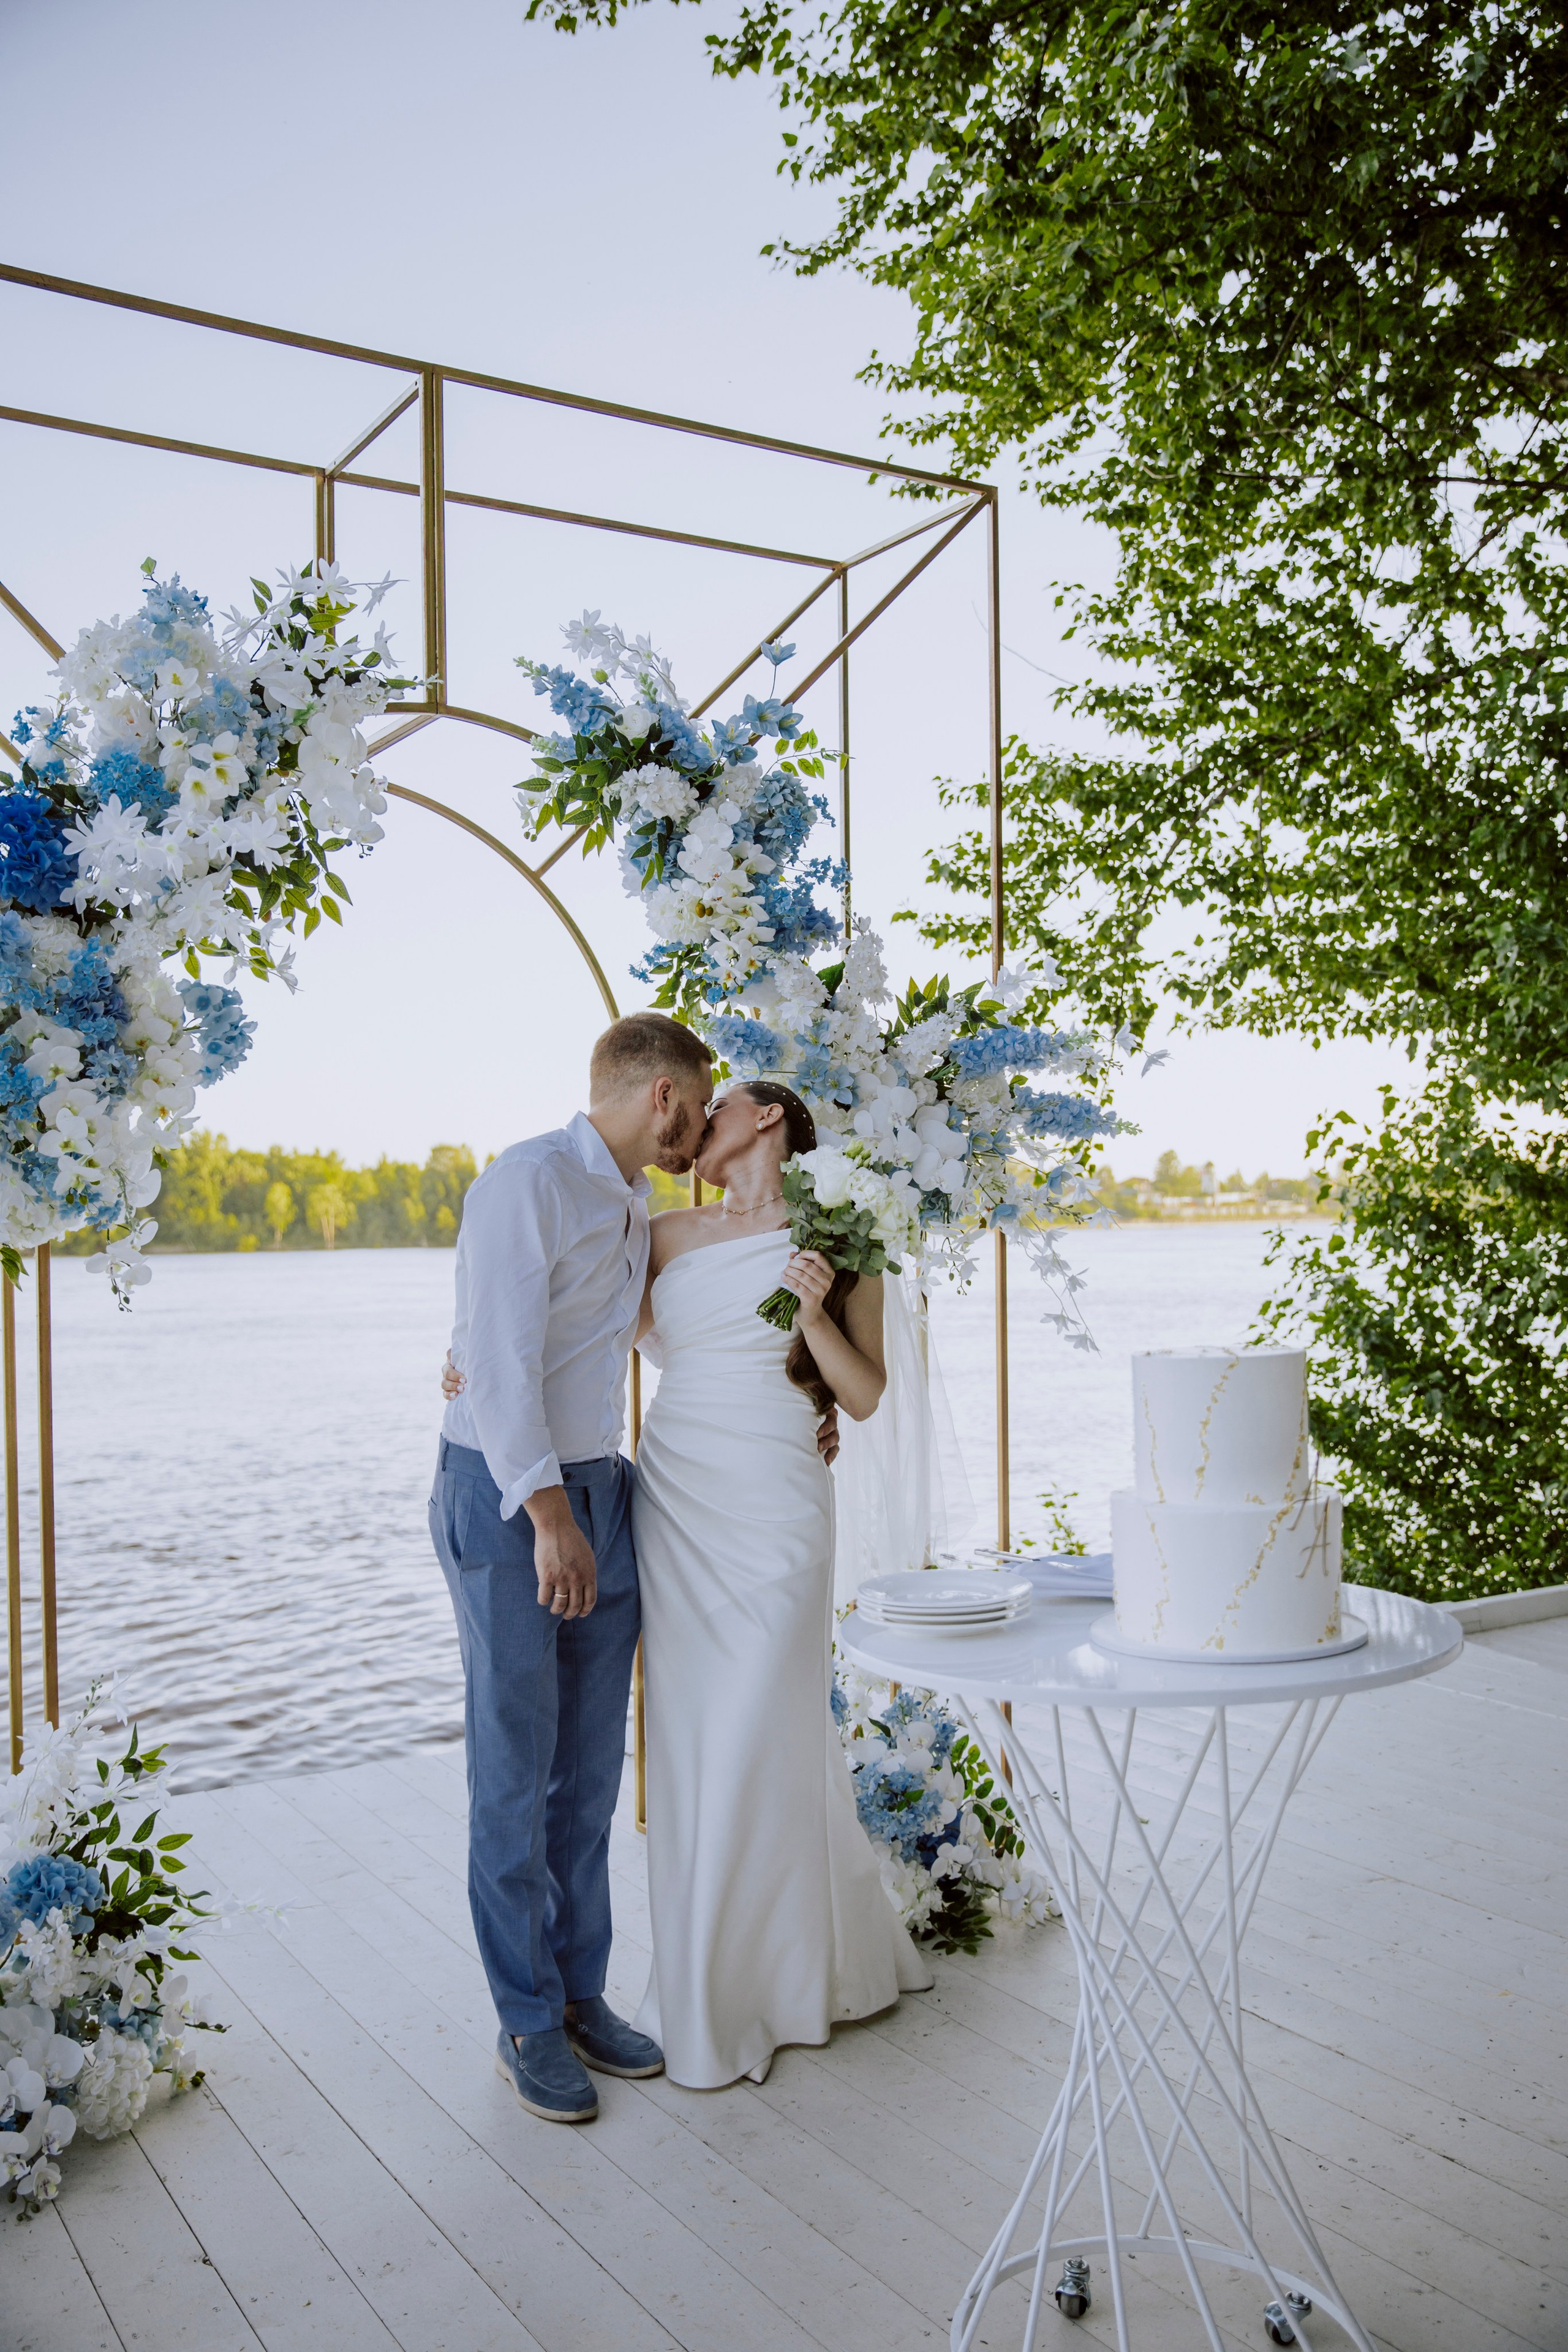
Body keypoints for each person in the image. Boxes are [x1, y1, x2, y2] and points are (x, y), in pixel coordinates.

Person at [429, 1011, 714, 2126]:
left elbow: (629, 1334)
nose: (700, 1131)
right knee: (515, 1765)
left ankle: (580, 1993)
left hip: (605, 1486)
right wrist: (548, 1515)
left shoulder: (637, 1201)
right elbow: (498, 1363)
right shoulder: (527, 1181)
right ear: (661, 1095)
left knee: (590, 1770)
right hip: (514, 1500)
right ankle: (525, 2020)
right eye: (698, 1107)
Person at [627, 1077, 932, 2087]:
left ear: (765, 1118)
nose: (696, 1122)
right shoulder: (664, 1236)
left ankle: (779, 1979)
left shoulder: (847, 1238)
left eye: (716, 1104)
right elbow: (609, 1329)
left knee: (767, 1714)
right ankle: (714, 1980)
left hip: (779, 1496)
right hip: (680, 1491)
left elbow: (866, 1395)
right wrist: (471, 1360)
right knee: (696, 1730)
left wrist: (810, 1321)